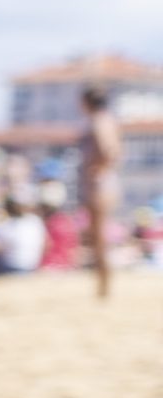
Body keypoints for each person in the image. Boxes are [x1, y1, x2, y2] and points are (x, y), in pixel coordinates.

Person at [81, 85, 122, 301]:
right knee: (99, 236)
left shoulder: (99, 121)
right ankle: (103, 285)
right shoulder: (108, 120)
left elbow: (110, 152)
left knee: (99, 237)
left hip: (100, 185)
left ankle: (104, 287)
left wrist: (97, 169)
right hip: (105, 182)